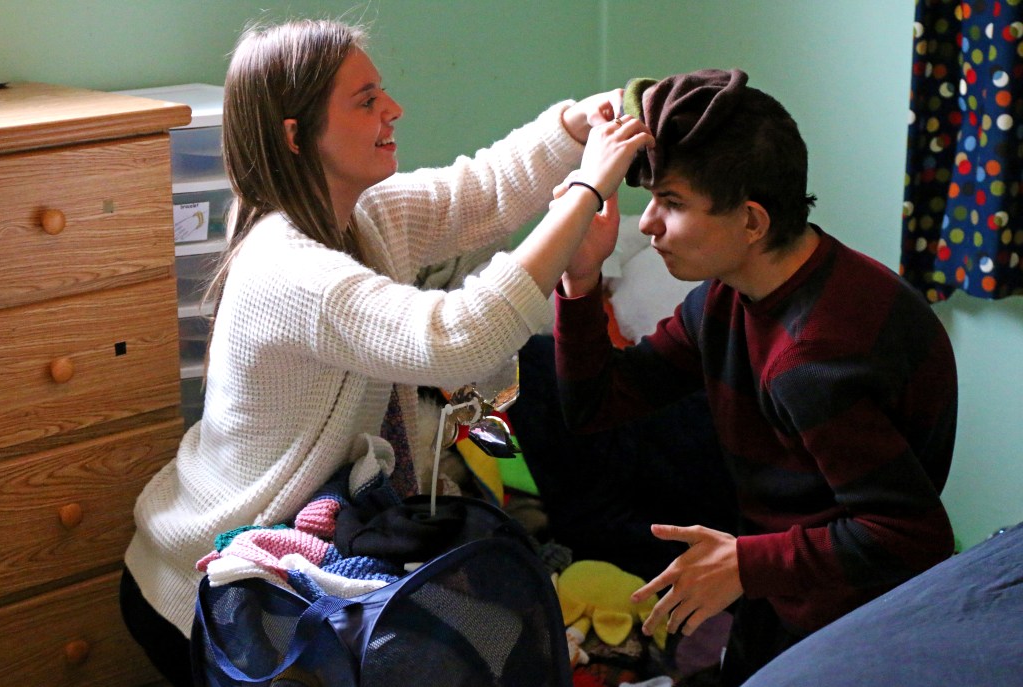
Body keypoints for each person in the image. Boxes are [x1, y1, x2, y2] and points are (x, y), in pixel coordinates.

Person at [119, 18, 653, 686]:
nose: (392, 109)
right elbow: (456, 339)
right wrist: (586, 189)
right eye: (365, 100)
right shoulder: (286, 267)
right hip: (207, 586)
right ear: (296, 135)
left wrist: (578, 124)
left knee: (490, 640)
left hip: (307, 552)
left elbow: (483, 188)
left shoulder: (364, 215)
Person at [552, 68, 957, 686]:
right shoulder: (732, 295)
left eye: (673, 203)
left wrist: (745, 563)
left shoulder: (811, 361)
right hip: (786, 582)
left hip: (852, 614)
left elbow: (911, 538)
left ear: (752, 222)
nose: (646, 224)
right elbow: (598, 405)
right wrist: (581, 283)